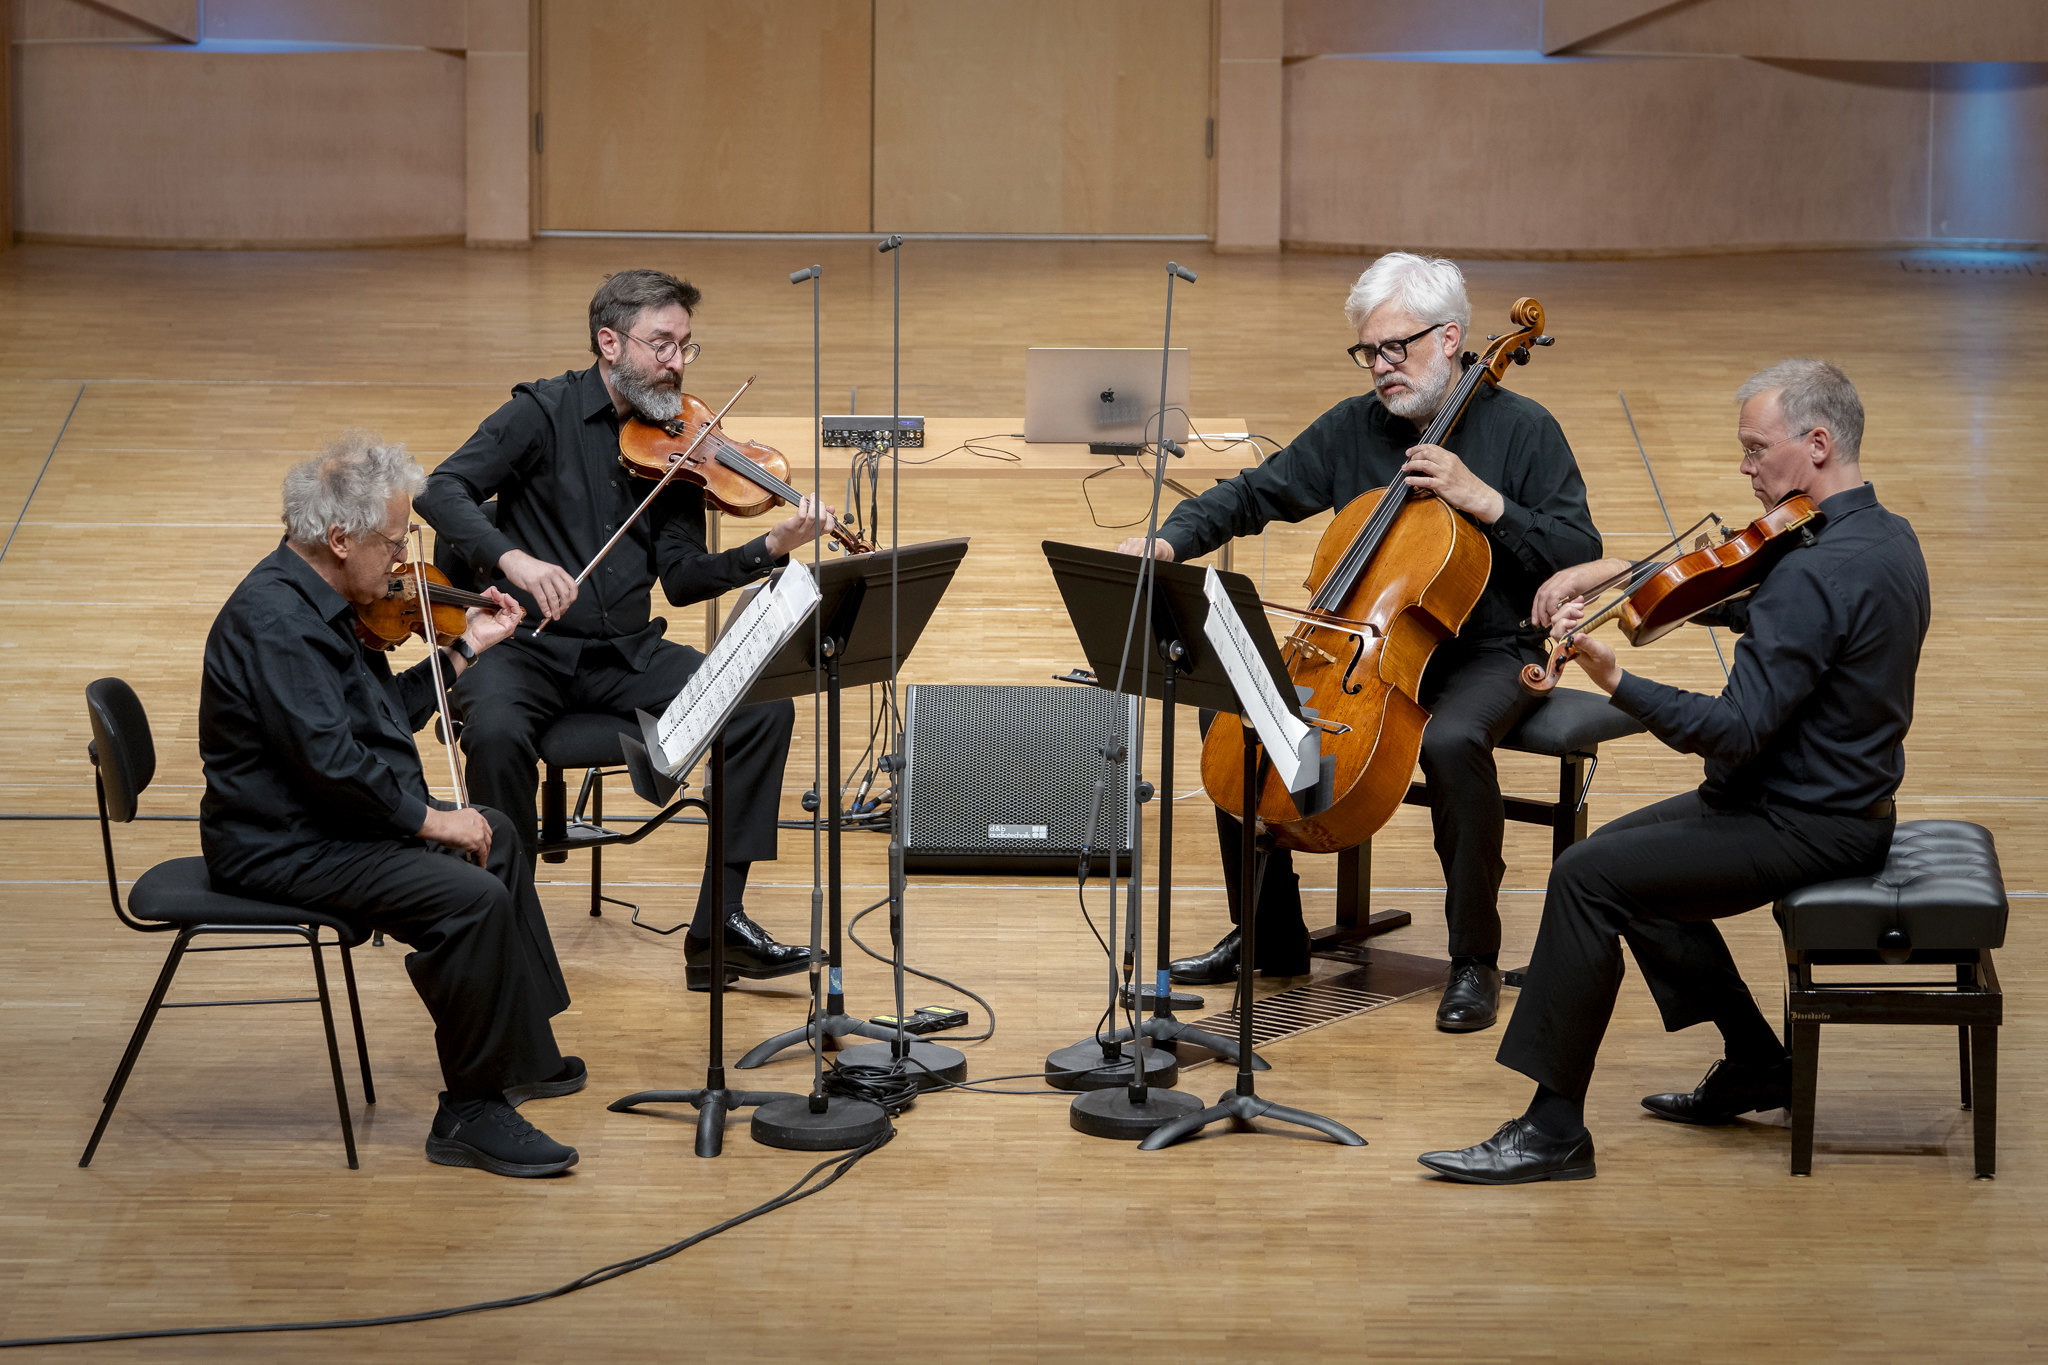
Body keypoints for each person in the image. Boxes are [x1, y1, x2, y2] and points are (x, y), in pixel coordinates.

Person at [1418, 358, 1929, 1184]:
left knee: (1588, 878)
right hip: (1847, 806)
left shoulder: (1809, 572)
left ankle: (1553, 1130)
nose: (1746, 468)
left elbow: (1731, 731)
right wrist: (1621, 573)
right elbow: (1776, 611)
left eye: (1758, 449)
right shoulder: (1883, 537)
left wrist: (1617, 677)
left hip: (1802, 823)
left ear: (1819, 444)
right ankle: (1758, 1060)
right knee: (1624, 868)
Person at [1118, 252, 1600, 1030]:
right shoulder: (1355, 428)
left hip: (1488, 648)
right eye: (1367, 352)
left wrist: (1487, 502)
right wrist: (1170, 543)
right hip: (1363, 648)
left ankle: (1473, 957)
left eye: (1394, 349)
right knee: (1236, 714)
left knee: (1451, 744)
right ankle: (1271, 939)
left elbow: (1579, 552)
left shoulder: (1524, 431)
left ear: (1450, 339)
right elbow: (1252, 492)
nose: (1379, 368)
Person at [418, 269, 837, 990]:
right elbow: (440, 490)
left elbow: (680, 576)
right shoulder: (539, 413)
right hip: (525, 652)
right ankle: (505, 930)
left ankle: (718, 931)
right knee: (492, 732)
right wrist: (513, 557)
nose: (676, 363)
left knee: (762, 702)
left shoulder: (674, 441)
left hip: (623, 655)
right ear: (609, 343)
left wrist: (771, 547)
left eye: (685, 346)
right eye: (661, 344)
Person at [200, 433, 585, 1178]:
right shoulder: (277, 623)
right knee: (469, 896)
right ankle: (469, 1111)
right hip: (281, 844)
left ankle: (513, 1058)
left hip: (324, 823)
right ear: (339, 539)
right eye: (394, 541)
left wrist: (467, 646)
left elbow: (378, 717)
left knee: (497, 835)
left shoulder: (334, 599)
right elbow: (331, 766)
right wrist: (432, 819)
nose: (405, 559)